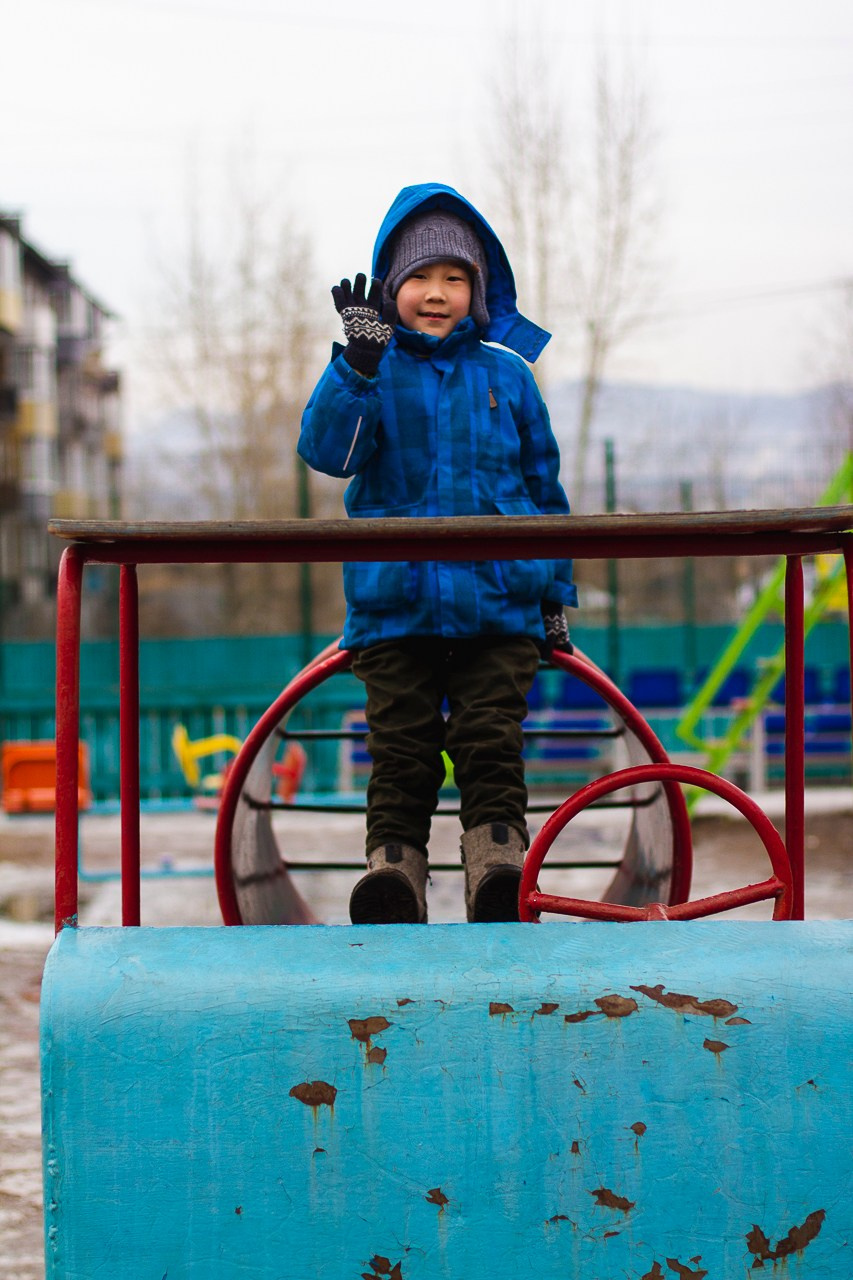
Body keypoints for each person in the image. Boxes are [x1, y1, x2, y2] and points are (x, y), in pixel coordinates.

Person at [298, 182, 577, 925]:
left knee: (490, 740)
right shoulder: (372, 373)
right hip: (396, 607)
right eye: (419, 277)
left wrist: (552, 596)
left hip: (499, 604)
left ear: (478, 292)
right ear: (391, 290)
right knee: (402, 749)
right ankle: (394, 874)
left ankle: (496, 870)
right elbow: (329, 454)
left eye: (455, 278)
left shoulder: (507, 377)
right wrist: (355, 365)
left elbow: (543, 490)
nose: (436, 292)